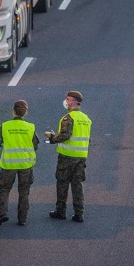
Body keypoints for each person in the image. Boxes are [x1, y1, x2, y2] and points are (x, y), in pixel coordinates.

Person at [44, 90, 92, 223]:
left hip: (67, 156)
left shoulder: (68, 118)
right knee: (77, 185)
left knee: (62, 183)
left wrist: (52, 138)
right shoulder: (86, 119)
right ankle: (79, 213)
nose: (66, 101)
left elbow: (65, 135)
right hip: (81, 157)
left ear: (75, 102)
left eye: (69, 99)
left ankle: (61, 211)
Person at [0, 100, 39, 227]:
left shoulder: (5, 126)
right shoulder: (30, 127)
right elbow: (35, 145)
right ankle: (22, 219)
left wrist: (5, 144)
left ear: (13, 111)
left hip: (9, 165)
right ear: (25, 112)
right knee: (24, 191)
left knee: (4, 189)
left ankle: (2, 213)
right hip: (26, 165)